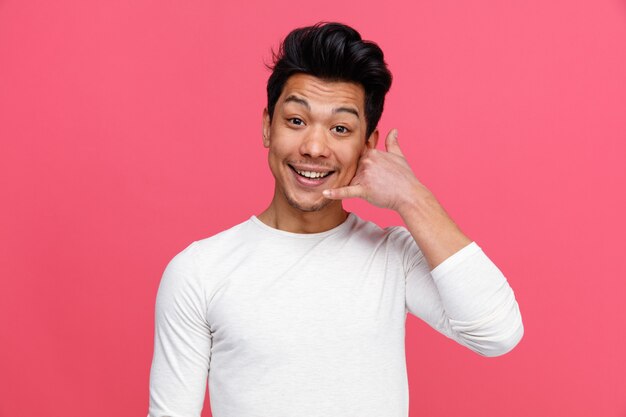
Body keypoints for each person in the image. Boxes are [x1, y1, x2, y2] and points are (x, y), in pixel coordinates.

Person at [148, 22, 523, 417]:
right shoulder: (199, 271)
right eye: (296, 121)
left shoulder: (392, 257)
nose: (313, 147)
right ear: (266, 126)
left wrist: (411, 196)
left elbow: (498, 333)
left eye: (340, 128)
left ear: (368, 147)